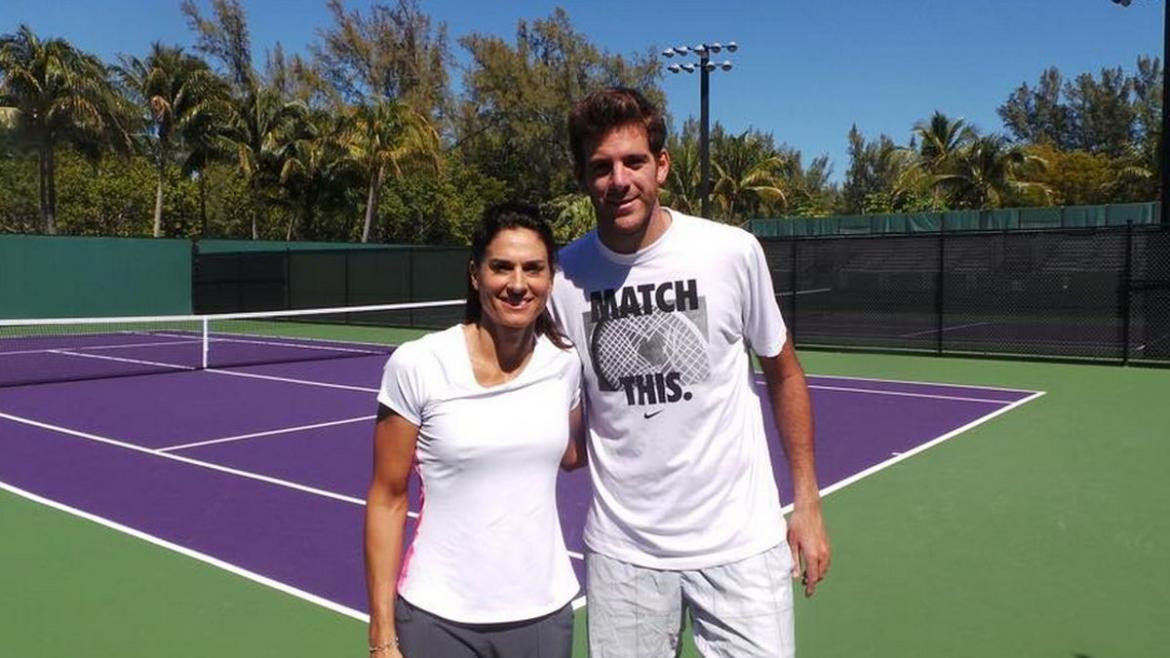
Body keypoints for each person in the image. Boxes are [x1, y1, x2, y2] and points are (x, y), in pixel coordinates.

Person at [548, 87, 831, 658]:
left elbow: (784, 372)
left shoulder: (732, 252)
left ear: (662, 166)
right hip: (624, 558)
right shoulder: (561, 278)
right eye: (601, 167)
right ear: (583, 178)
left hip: (742, 548)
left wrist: (808, 503)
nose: (619, 180)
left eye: (634, 162)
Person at [364, 203, 585, 658]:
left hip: (544, 615)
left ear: (550, 279)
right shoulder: (418, 363)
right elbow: (387, 497)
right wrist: (382, 634)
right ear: (475, 275)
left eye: (533, 269)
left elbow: (573, 453)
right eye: (501, 267)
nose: (518, 284)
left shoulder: (565, 365)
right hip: (437, 618)